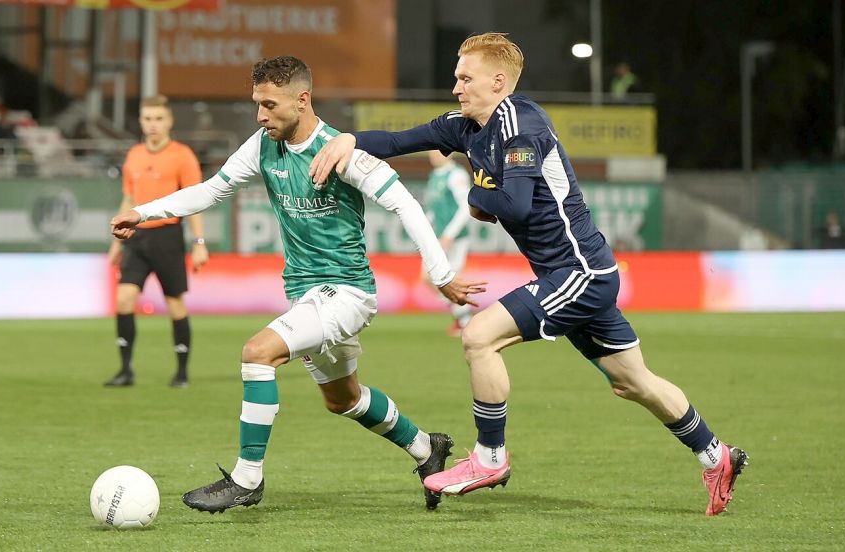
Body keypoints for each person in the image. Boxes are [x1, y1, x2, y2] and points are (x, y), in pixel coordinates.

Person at [309, 32, 748, 516]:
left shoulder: (523, 121)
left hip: (579, 271)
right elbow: (397, 141)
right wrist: (345, 139)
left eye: (464, 78)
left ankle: (489, 457)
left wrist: (478, 197)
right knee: (633, 382)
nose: (455, 87)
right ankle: (718, 455)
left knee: (479, 337)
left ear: (498, 82)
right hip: (578, 273)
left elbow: (511, 204)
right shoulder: (467, 128)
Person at [110, 56, 486, 512]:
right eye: (257, 104)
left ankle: (248, 478)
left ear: (302, 100)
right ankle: (428, 449)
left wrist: (442, 274)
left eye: (269, 104)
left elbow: (405, 204)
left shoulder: (341, 151)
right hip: (306, 294)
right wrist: (143, 212)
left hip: (346, 293)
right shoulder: (261, 146)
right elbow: (211, 190)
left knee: (257, 353)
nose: (260, 115)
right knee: (343, 400)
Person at [104, 95, 209, 388]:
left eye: (158, 119)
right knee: (124, 298)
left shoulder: (182, 155)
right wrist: (116, 243)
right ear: (141, 121)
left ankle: (182, 372)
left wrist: (199, 241)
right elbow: (129, 196)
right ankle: (125, 370)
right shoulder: (134, 154)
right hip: (137, 238)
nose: (153, 125)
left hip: (167, 236)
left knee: (175, 303)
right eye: (148, 119)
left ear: (169, 121)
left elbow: (195, 201)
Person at [424, 150, 474, 335]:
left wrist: (450, 234)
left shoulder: (456, 175)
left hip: (455, 238)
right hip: (437, 237)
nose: (433, 154)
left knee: (447, 278)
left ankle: (465, 319)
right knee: (428, 278)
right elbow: (433, 209)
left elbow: (465, 207)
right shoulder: (435, 175)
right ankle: (463, 313)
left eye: (437, 150)